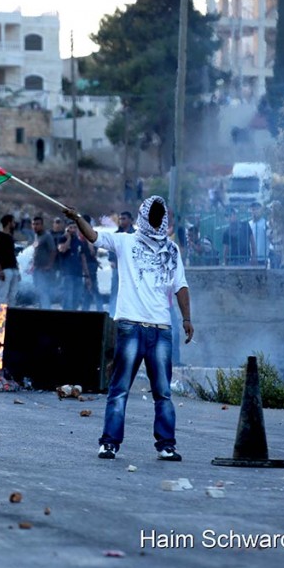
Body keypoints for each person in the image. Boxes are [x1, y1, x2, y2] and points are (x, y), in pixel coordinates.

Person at [64, 195, 193, 462]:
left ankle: (166, 445)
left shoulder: (171, 250)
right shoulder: (125, 241)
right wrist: (77, 219)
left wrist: (187, 319)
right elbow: (94, 237)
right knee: (121, 388)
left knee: (162, 392)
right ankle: (109, 443)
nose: (156, 220)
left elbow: (180, 285)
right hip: (131, 326)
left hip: (160, 328)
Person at [108, 211, 135, 317]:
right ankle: (112, 315)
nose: (121, 221)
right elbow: (110, 249)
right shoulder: (116, 234)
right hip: (118, 268)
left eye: (124, 218)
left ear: (130, 220)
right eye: (120, 219)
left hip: (131, 269)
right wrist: (112, 260)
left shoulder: (135, 234)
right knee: (115, 292)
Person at [54, 216, 82, 310]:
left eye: (75, 227)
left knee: (76, 298)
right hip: (67, 273)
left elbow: (82, 257)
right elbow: (62, 249)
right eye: (71, 227)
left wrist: (86, 274)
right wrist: (68, 238)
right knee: (67, 298)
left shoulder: (78, 241)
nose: (73, 229)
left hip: (78, 273)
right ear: (67, 228)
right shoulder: (62, 238)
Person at [0, 214, 20, 308]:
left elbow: (12, 254)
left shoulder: (10, 236)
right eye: (13, 222)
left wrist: (17, 269)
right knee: (2, 295)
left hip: (13, 268)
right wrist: (0, 270)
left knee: (12, 295)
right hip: (4, 269)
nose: (14, 224)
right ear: (9, 223)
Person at [30, 215, 56, 309]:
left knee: (44, 292)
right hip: (37, 269)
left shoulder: (47, 236)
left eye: (37, 224)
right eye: (33, 224)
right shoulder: (36, 236)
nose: (35, 226)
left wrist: (49, 265)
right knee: (38, 292)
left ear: (42, 225)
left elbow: (53, 251)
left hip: (44, 270)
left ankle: (46, 310)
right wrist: (32, 265)